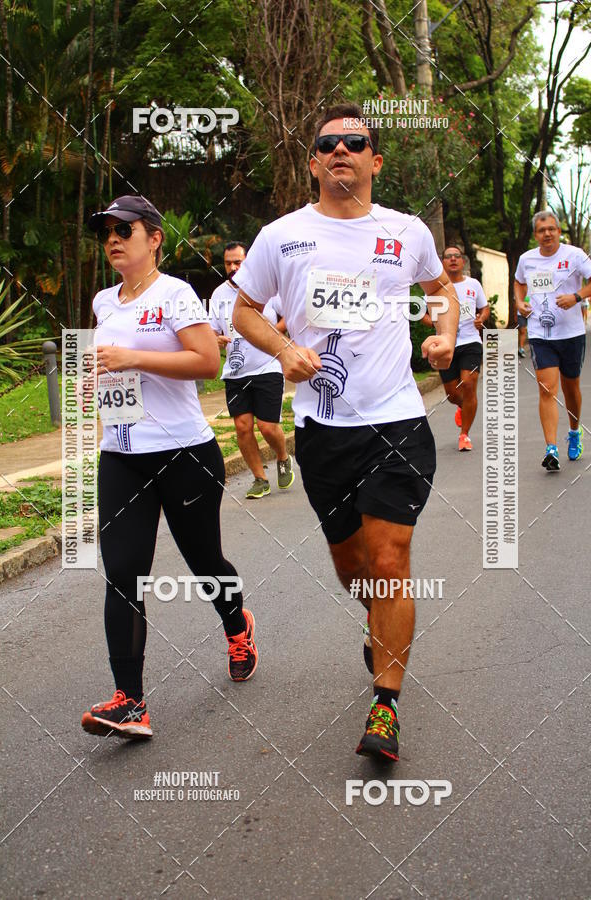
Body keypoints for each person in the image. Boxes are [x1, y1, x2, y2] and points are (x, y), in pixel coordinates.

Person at [231, 104, 459, 762]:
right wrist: (281, 347)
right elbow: (246, 312)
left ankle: (385, 704)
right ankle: (374, 620)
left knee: (389, 562)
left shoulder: (405, 230)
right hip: (323, 433)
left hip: (395, 421)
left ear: (374, 160)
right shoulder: (282, 238)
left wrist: (441, 332)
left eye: (354, 142)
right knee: (353, 568)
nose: (341, 151)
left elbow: (440, 290)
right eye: (327, 143)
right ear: (313, 163)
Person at [81, 195, 258, 741]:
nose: (113, 239)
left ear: (154, 238)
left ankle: (237, 625)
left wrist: (134, 358)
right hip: (123, 457)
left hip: (183, 453)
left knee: (205, 563)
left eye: (124, 230)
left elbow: (206, 362)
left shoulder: (176, 294)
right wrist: (96, 388)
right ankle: (131, 704)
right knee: (123, 576)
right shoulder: (102, 302)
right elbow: (112, 373)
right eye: (106, 231)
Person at [210, 242, 295, 499]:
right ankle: (260, 478)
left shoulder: (266, 288)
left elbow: (289, 316)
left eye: (238, 262)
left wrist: (270, 334)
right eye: (228, 263)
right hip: (236, 371)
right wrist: (215, 339)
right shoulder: (218, 295)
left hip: (267, 364)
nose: (233, 267)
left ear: (247, 261)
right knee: (243, 427)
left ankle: (282, 457)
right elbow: (212, 330)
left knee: (267, 426)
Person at [514, 210, 591, 471]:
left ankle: (573, 431)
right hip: (540, 334)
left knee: (571, 389)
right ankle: (551, 448)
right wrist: (519, 302)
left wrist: (577, 297)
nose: (547, 234)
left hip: (571, 334)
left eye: (551, 229)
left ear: (559, 231)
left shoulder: (575, 255)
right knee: (547, 389)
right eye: (541, 230)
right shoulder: (527, 259)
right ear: (535, 234)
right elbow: (518, 283)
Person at [423, 247, 489, 451]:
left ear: (463, 262)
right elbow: (424, 315)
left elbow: (484, 308)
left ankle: (465, 435)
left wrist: (481, 319)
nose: (453, 259)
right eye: (448, 257)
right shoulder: (435, 287)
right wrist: (437, 322)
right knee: (453, 394)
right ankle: (464, 407)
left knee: (469, 384)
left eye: (457, 256)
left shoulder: (473, 284)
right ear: (442, 262)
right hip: (446, 343)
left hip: (471, 341)